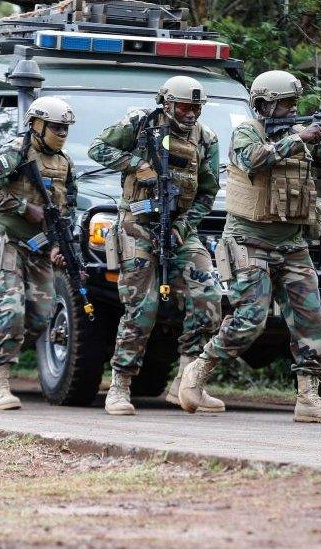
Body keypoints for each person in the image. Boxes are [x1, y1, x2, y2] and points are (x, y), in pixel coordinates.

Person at [179, 70, 321, 423]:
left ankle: (308, 397)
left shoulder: (300, 136)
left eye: (293, 104)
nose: (291, 110)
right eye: (285, 104)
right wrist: (299, 137)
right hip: (248, 240)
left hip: (291, 242)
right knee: (249, 320)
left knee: (310, 319)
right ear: (263, 105)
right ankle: (196, 373)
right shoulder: (247, 133)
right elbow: (252, 160)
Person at [88, 76, 223, 415]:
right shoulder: (140, 123)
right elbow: (97, 148)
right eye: (184, 106)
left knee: (208, 297)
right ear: (166, 103)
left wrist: (183, 225)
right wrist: (136, 164)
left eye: (197, 107)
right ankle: (119, 386)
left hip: (178, 228)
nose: (191, 113)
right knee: (142, 309)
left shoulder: (206, 138)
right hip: (137, 226)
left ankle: (187, 384)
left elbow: (207, 192)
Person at [0, 96, 78, 411]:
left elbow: (65, 206)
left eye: (65, 128)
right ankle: (0, 382)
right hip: (3, 240)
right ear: (36, 124)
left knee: (43, 316)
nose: (61, 132)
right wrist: (22, 207)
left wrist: (59, 244)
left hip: (39, 245)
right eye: (56, 126)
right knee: (10, 309)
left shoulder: (64, 162)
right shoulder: (14, 153)